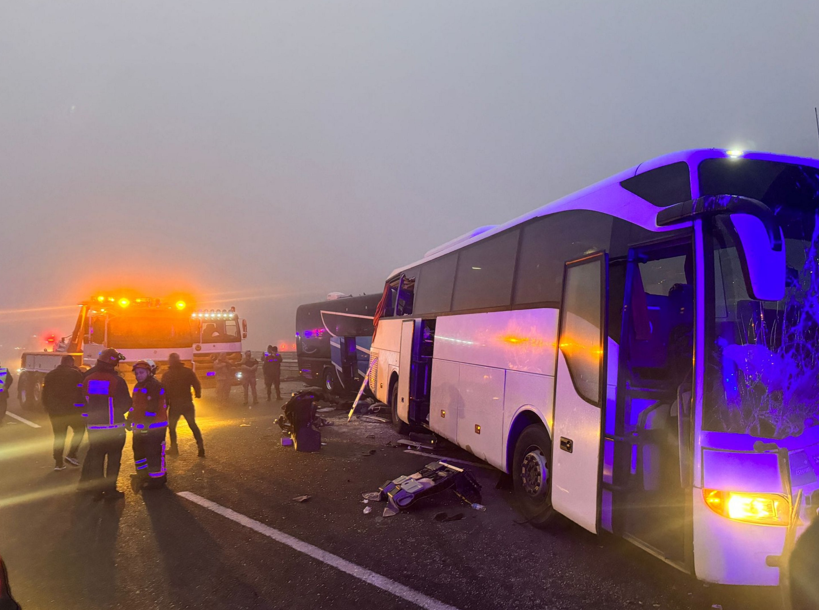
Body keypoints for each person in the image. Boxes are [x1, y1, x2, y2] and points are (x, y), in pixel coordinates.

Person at [80, 348, 132, 501]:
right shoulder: (117, 381)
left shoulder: (88, 379)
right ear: (114, 363)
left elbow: (82, 400)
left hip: (94, 428)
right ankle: (110, 491)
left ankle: (97, 491)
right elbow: (126, 403)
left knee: (96, 460)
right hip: (114, 428)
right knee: (113, 460)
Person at [128, 360, 169, 491]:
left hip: (155, 427)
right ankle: (143, 475)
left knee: (154, 452)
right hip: (141, 426)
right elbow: (135, 405)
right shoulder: (138, 386)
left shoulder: (154, 385)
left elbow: (152, 408)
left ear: (149, 372)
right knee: (139, 451)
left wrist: (146, 425)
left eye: (141, 373)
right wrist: (129, 419)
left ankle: (158, 479)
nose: (138, 375)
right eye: (137, 373)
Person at [42, 355, 86, 470]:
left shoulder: (50, 374)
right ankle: (72, 453)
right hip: (71, 411)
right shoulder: (75, 374)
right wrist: (83, 407)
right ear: (71, 363)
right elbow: (81, 391)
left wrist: (47, 407)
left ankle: (58, 463)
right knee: (79, 430)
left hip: (55, 412)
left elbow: (45, 393)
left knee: (59, 436)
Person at [161, 352, 205, 457]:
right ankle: (200, 447)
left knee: (172, 427)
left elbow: (164, 392)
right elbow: (196, 383)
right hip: (187, 403)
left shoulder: (167, 375)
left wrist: (164, 407)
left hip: (175, 405)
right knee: (192, 425)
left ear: (170, 362)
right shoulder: (187, 372)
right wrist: (197, 394)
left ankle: (174, 448)